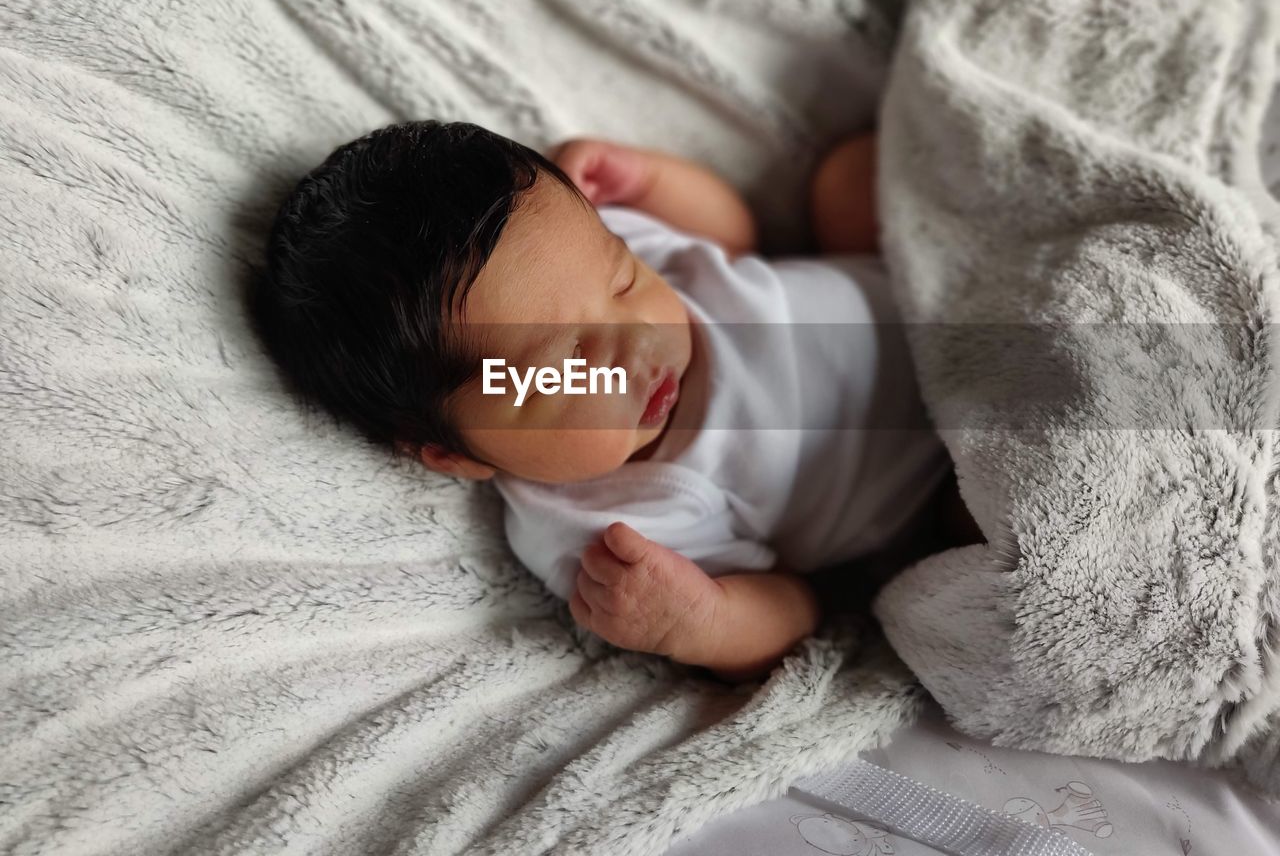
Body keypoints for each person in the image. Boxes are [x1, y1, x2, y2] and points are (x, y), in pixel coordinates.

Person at [253, 120, 965, 683]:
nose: (638, 343)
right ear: (452, 452)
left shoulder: (572, 258)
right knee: (978, 528)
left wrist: (649, 178)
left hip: (918, 284)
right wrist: (705, 623)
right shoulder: (612, 533)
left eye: (625, 278)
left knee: (849, 176)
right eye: (565, 364)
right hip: (945, 458)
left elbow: (733, 238)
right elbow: (793, 609)